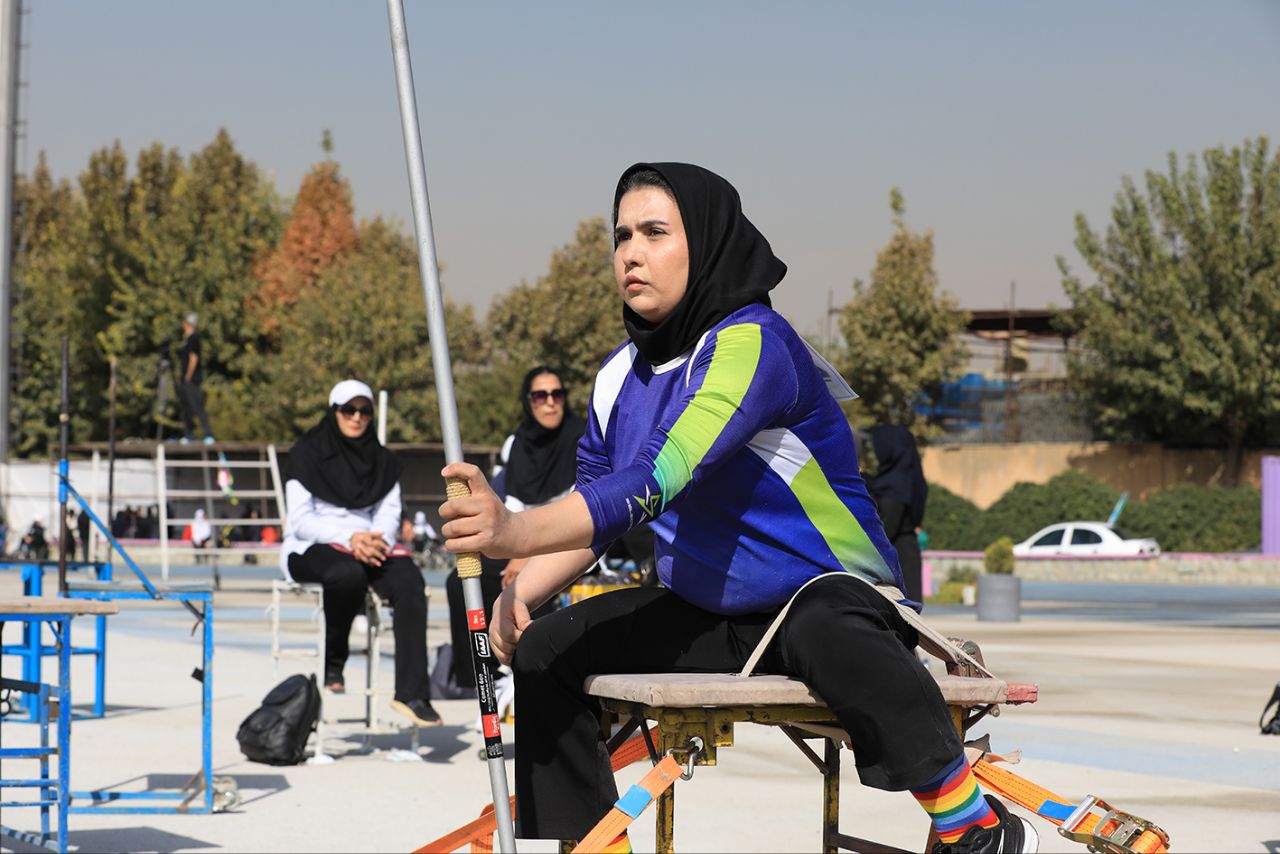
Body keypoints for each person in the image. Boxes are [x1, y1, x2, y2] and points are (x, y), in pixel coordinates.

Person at [439, 163, 1037, 853]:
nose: (631, 253)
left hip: (830, 597)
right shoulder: (616, 376)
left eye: (655, 233)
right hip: (710, 613)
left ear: (706, 244)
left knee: (824, 628)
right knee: (548, 648)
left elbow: (660, 476)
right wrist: (522, 589)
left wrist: (512, 529)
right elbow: (593, 510)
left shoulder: (754, 344)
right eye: (621, 235)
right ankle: (598, 847)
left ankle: (975, 828)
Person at [281, 379, 441, 727]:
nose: (356, 417)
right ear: (334, 412)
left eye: (364, 411)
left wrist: (372, 540)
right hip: (314, 544)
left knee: (410, 581)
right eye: (348, 410)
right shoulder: (305, 454)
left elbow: (389, 513)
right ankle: (334, 660)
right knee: (346, 573)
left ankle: (412, 694)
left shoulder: (383, 461)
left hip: (372, 544)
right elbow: (301, 520)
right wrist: (349, 538)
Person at [444, 366, 584, 692]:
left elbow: (581, 503)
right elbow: (509, 501)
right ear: (528, 401)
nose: (550, 402)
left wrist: (527, 551)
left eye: (557, 394)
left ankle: (528, 677)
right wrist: (515, 550)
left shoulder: (582, 439)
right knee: (461, 581)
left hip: (570, 542)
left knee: (532, 589)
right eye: (540, 396)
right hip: (517, 541)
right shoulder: (517, 444)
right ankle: (481, 678)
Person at [867, 424, 929, 603]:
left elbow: (886, 530)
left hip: (896, 560)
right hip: (906, 553)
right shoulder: (903, 479)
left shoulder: (895, 487)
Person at [177, 312, 215, 444]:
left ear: (187, 324)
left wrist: (188, 375)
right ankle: (188, 434)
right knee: (186, 407)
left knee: (197, 405)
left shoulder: (194, 338)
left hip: (192, 379)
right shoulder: (187, 339)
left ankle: (208, 434)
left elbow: (194, 358)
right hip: (185, 379)